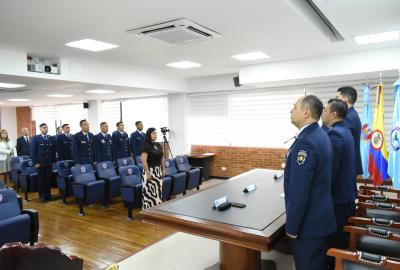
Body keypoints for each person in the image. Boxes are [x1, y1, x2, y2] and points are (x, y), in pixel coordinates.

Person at [284, 95, 336, 270]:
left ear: (306, 112)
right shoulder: (320, 134)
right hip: (320, 217)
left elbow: (300, 190)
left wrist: (292, 228)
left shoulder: (305, 142)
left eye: (294, 106)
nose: (291, 110)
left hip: (308, 225)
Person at [322, 98, 356, 268]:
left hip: (338, 201)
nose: (323, 114)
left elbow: (331, 171)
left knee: (334, 242)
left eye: (325, 111)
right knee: (340, 238)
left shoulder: (334, 134)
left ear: (333, 114)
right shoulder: (345, 131)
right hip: (347, 196)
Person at [336, 86, 363, 177]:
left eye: (337, 98)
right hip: (350, 163)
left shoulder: (347, 117)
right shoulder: (352, 114)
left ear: (345, 99)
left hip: (347, 164)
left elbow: (341, 142)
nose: (335, 101)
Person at [30, 123, 56, 202]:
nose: (46, 129)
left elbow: (52, 150)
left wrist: (53, 161)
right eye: (44, 127)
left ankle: (48, 195)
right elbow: (33, 152)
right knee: (41, 180)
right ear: (40, 129)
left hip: (48, 163)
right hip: (40, 163)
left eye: (47, 127)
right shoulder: (36, 138)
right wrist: (35, 163)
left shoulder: (50, 138)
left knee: (48, 180)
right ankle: (42, 196)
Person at [141, 127, 164, 209]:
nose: (155, 135)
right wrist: (148, 173)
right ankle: (148, 209)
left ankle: (157, 207)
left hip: (158, 171)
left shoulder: (158, 145)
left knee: (158, 190)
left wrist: (163, 169)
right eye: (153, 133)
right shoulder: (146, 146)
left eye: (156, 133)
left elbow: (162, 158)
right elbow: (143, 160)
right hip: (149, 171)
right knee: (149, 192)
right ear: (149, 134)